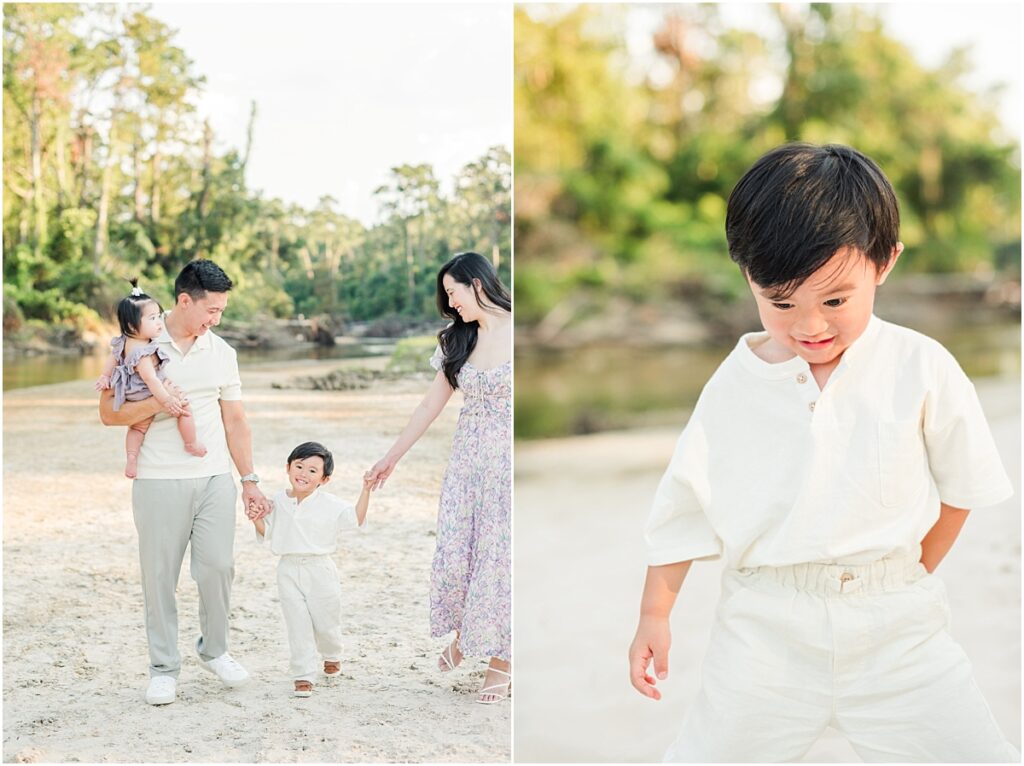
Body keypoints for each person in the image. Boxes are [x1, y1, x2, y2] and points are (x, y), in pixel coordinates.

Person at [627, 143, 1017, 762]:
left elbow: (962, 487)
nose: (809, 325)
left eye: (835, 300)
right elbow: (685, 506)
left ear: (884, 263)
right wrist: (655, 614)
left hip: (898, 632)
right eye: (781, 302)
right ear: (748, 277)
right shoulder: (735, 384)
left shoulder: (920, 366)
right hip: (765, 632)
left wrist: (908, 573)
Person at [99, 259, 271, 706]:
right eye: (211, 310)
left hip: (214, 478)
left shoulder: (223, 352)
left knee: (217, 568)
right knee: (159, 578)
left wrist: (249, 480)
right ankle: (163, 668)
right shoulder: (135, 345)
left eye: (222, 311)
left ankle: (214, 651)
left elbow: (236, 421)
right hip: (157, 480)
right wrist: (160, 406)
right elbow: (108, 414)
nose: (217, 319)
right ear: (183, 301)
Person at [366, 251, 512, 704]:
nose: (451, 304)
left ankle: (501, 660)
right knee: (459, 551)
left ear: (478, 284)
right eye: (446, 296)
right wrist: (391, 458)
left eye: (454, 293)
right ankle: (468, 637)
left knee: (500, 556)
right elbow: (430, 405)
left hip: (508, 463)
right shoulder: (456, 339)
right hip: (468, 462)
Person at [249, 441, 372, 697]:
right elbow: (267, 532)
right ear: (288, 467)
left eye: (313, 471)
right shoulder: (278, 501)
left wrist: (366, 490)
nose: (304, 473)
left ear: (324, 479)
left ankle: (332, 653)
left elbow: (355, 519)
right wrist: (256, 517)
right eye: (300, 466)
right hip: (288, 569)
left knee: (326, 622)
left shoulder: (330, 503)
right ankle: (303, 675)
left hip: (320, 569)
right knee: (297, 624)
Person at [95, 278, 206, 478]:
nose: (159, 323)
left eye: (158, 317)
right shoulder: (143, 353)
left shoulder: (124, 341)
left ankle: (131, 459)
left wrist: (104, 376)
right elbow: (151, 380)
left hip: (130, 392)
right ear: (132, 324)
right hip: (145, 390)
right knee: (185, 409)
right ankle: (191, 443)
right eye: (152, 319)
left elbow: (113, 357)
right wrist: (167, 400)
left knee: (137, 428)